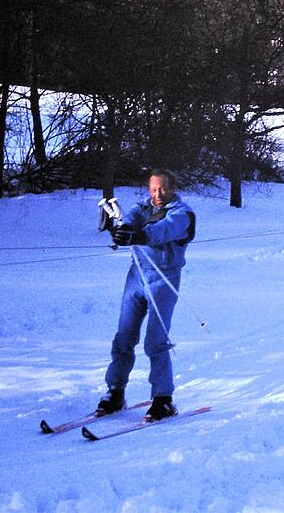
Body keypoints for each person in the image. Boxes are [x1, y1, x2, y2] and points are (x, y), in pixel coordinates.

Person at [97, 169, 196, 422]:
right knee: (124, 336)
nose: (157, 194)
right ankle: (115, 391)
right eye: (153, 189)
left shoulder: (182, 214)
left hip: (164, 279)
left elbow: (165, 230)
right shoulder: (142, 208)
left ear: (171, 188)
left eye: (162, 189)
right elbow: (131, 218)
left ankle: (163, 398)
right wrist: (123, 230)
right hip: (136, 277)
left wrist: (140, 235)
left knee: (155, 341)